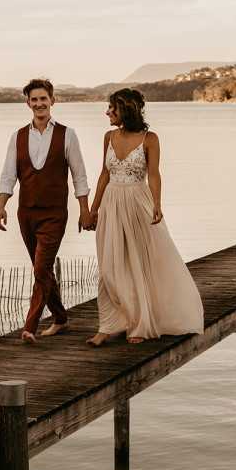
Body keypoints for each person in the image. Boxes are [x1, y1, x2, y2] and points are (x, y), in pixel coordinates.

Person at [86, 88, 203, 345]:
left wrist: (158, 203)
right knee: (108, 266)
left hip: (138, 203)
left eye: (112, 108)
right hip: (111, 204)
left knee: (137, 262)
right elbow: (104, 174)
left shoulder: (150, 138)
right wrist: (93, 210)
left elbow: (154, 174)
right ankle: (108, 325)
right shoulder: (108, 136)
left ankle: (139, 324)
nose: (107, 112)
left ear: (125, 110)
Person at [0, 78, 92, 342]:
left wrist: (84, 210)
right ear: (28, 103)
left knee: (40, 268)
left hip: (54, 214)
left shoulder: (67, 134)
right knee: (44, 269)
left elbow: (79, 176)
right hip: (25, 213)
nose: (39, 104)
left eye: (43, 99)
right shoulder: (18, 136)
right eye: (34, 99)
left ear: (52, 101)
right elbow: (8, 174)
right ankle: (60, 318)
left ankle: (29, 326)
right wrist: (1, 205)